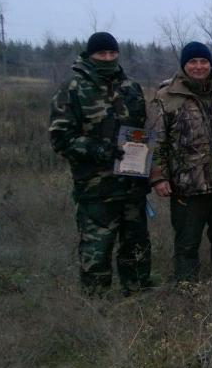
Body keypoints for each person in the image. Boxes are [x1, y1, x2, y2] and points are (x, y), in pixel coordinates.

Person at [49, 31, 152, 296]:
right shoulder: (73, 87)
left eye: (112, 53)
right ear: (90, 54)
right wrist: (98, 149)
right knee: (97, 250)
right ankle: (96, 304)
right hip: (95, 188)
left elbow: (140, 130)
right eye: (102, 53)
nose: (107, 58)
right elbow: (60, 138)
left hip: (132, 185)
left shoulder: (130, 87)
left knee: (136, 247)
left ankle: (138, 297)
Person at [147, 41, 212, 282]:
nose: (199, 66)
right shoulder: (166, 97)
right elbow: (156, 141)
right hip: (187, 186)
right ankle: (187, 288)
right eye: (193, 62)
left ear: (210, 64)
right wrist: (158, 177)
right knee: (187, 242)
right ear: (183, 65)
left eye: (203, 61)